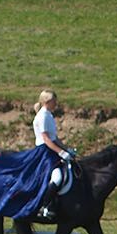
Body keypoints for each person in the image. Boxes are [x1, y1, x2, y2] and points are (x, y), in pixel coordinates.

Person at [33, 89, 73, 218]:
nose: (56, 104)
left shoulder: (49, 115)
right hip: (44, 152)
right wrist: (60, 152)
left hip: (50, 149)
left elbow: (54, 138)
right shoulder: (42, 116)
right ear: (47, 101)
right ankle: (44, 206)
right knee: (57, 178)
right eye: (54, 101)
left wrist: (66, 149)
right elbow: (46, 139)